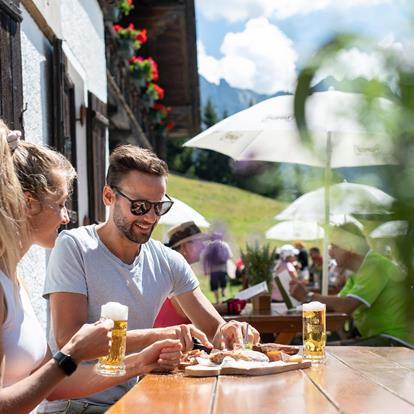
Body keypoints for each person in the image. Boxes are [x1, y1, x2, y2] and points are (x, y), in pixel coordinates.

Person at [43, 145, 260, 412]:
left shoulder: (167, 261)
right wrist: (158, 336)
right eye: (140, 206)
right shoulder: (74, 247)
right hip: (74, 407)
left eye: (159, 207)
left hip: (131, 403)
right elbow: (69, 339)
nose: (150, 217)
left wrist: (230, 331)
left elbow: (214, 330)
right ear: (109, 196)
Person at [0, 122, 182, 414]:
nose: (65, 217)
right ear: (28, 204)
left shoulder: (14, 279)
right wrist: (71, 353)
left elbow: (55, 385)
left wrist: (141, 361)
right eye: (59, 204)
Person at [289, 223, 414, 347]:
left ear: (349, 247)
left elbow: (345, 306)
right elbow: (337, 305)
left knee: (323, 352)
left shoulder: (375, 265)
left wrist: (308, 296)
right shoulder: (359, 270)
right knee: (312, 348)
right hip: (380, 337)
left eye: (334, 246)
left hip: (396, 340)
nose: (331, 253)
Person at [154, 221, 208, 327]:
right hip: (170, 339)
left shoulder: (177, 268)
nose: (203, 246)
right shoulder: (172, 269)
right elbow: (191, 312)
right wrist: (228, 306)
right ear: (184, 246)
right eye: (198, 242)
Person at [202, 232, 234, 303]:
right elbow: (230, 256)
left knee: (214, 286)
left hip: (213, 270)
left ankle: (217, 301)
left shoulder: (209, 246)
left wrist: (205, 270)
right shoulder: (224, 244)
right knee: (223, 284)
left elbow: (205, 258)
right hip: (223, 269)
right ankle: (223, 297)